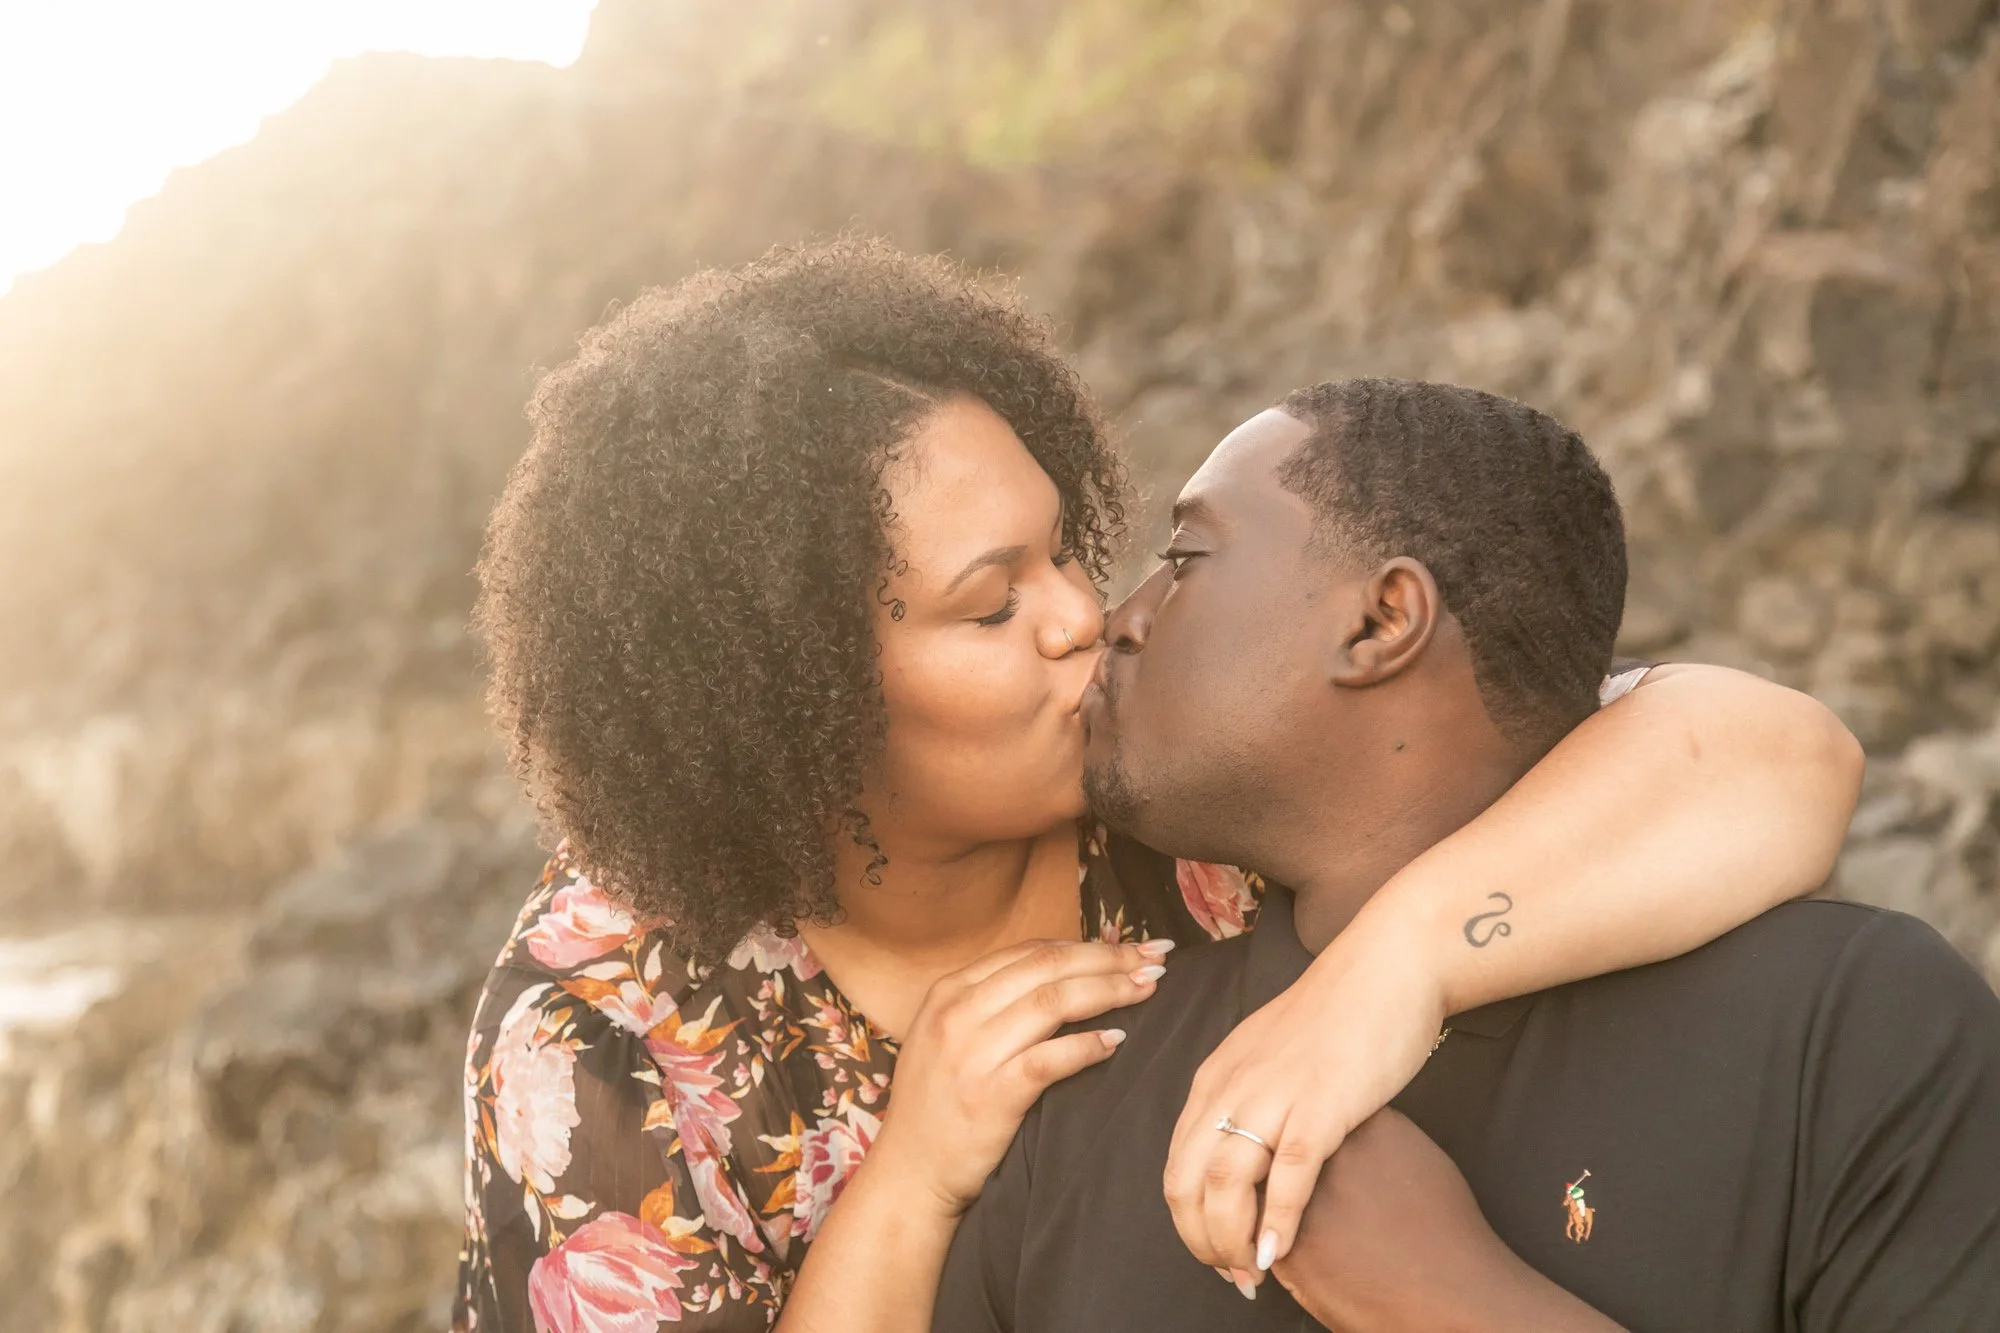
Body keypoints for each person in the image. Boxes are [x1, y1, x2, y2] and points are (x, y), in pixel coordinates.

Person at [454, 239, 1863, 1332]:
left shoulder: (1177, 795)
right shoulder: (600, 1038)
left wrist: (1398, 967)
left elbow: (1778, 759)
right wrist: (916, 1176)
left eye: (1066, 548)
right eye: (991, 607)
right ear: (784, 698)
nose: (1087, 616)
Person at [929, 380, 2000, 1333]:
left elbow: (1765, 741)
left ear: (1381, 620)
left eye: (1181, 560)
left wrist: (1453, 1304)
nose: (1112, 618)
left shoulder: (1850, 1032)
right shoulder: (1076, 1098)